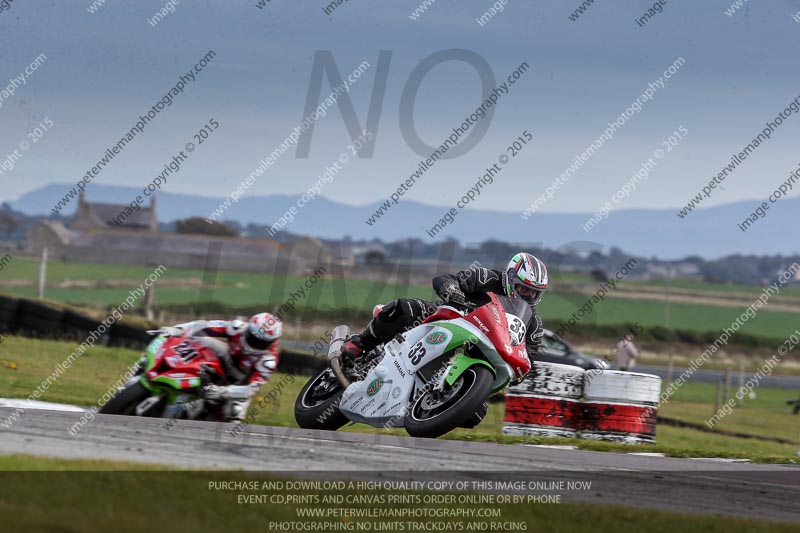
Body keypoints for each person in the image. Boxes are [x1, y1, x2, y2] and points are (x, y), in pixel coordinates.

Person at [341, 253, 548, 368]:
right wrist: (453, 291)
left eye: (533, 292)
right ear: (510, 278)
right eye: (523, 288)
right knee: (403, 308)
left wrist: (522, 368)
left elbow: (529, 356)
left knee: (474, 415)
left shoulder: (532, 324)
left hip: (479, 351)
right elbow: (446, 280)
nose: (527, 295)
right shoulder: (487, 278)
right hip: (451, 317)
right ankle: (361, 343)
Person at [152, 313, 282, 422]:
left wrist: (222, 392)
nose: (255, 342)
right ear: (249, 329)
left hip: (239, 382)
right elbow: (204, 325)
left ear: (272, 342)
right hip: (225, 358)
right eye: (253, 337)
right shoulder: (237, 327)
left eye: (261, 342)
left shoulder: (268, 361)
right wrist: (177, 329)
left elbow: (251, 389)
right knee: (204, 340)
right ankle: (170, 365)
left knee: (234, 412)